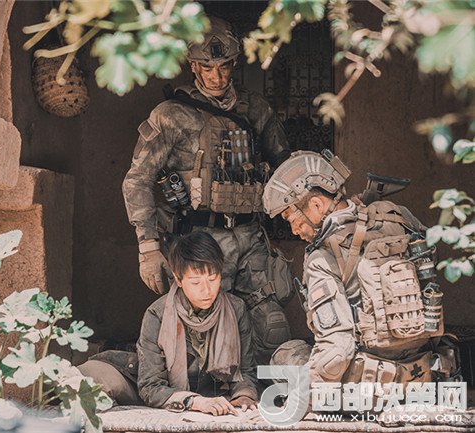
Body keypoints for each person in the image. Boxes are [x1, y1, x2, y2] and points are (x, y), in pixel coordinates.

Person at [122, 15, 293, 364]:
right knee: (202, 338)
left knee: (270, 326)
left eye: (224, 66)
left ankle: (264, 391)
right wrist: (148, 247)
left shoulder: (255, 109)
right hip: (199, 240)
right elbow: (138, 179)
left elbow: (286, 169)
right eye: (207, 67)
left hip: (250, 236)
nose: (216, 76)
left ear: (234, 64)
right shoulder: (171, 115)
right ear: (193, 66)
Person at [262, 150, 458, 389]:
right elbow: (432, 264)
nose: (294, 230)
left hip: (370, 383)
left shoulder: (321, 258)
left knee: (284, 357)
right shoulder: (398, 216)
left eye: (293, 219)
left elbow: (337, 351)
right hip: (425, 370)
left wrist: (309, 396)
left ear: (316, 204)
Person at [78, 231, 258, 415]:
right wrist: (193, 401)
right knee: (87, 378)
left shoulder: (236, 309)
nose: (206, 290)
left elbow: (245, 371)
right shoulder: (157, 313)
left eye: (212, 279)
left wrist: (244, 395)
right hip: (153, 388)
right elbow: (150, 386)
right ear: (178, 279)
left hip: (207, 392)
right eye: (195, 282)